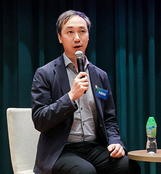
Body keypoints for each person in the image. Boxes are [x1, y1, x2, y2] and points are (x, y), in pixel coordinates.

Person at [31, 10, 139, 174]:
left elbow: (109, 119)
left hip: (93, 147)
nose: (77, 38)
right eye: (70, 32)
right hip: (61, 150)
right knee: (85, 171)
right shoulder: (45, 74)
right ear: (60, 37)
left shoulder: (100, 75)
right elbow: (40, 120)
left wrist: (115, 141)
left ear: (88, 36)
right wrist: (70, 97)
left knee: (128, 166)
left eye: (82, 31)